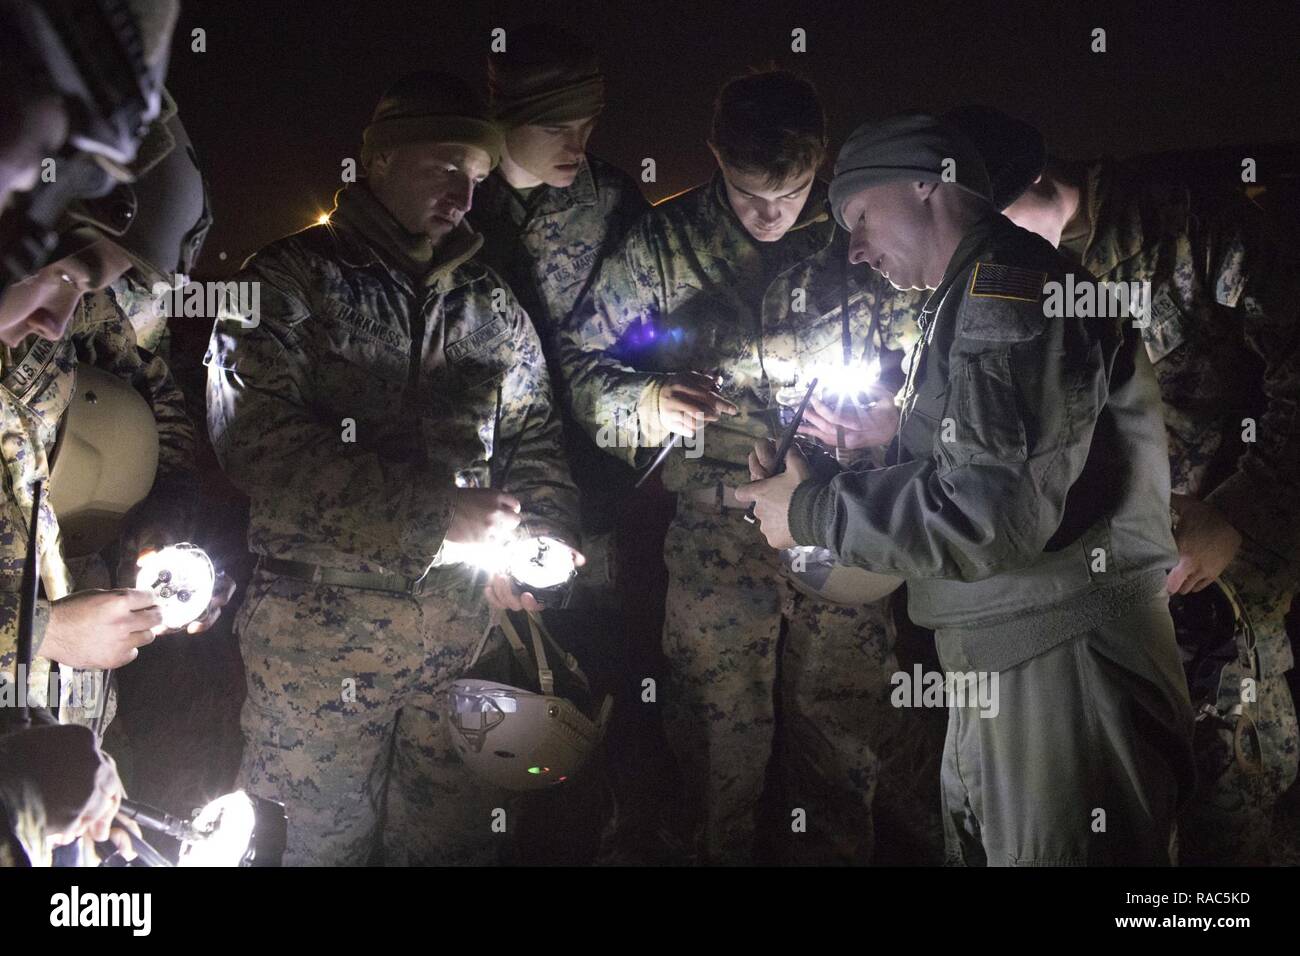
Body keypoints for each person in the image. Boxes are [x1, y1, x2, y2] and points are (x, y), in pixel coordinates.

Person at [738, 113, 1195, 865]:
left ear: (926, 180)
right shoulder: (977, 293)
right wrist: (839, 479)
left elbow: (988, 517)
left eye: (858, 215)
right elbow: (984, 476)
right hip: (1021, 657)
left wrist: (810, 511)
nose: (853, 249)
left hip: (1062, 671)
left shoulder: (1007, 289)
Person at [206, 71, 581, 865]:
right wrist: (432, 514)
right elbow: (257, 442)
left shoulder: (491, 303)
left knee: (447, 849)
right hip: (314, 644)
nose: (464, 195)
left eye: (477, 178)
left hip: (457, 642)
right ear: (376, 161)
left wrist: (543, 538)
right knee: (310, 850)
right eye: (445, 166)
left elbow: (535, 435)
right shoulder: (284, 282)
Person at [559, 70, 930, 864]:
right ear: (714, 156)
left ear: (822, 163)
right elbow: (583, 370)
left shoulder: (864, 238)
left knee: (841, 730)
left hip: (846, 523)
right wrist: (650, 402)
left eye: (792, 194)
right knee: (714, 737)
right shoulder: (662, 243)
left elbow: (939, 367)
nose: (771, 215)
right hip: (717, 534)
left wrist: (889, 423)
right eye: (749, 193)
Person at [970, 110, 1300, 865]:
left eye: (997, 224)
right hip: (1086, 589)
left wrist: (1239, 514)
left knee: (1229, 792)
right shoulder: (1000, 271)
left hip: (1213, 574)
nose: (984, 253)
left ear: (1039, 182)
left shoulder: (1186, 220)